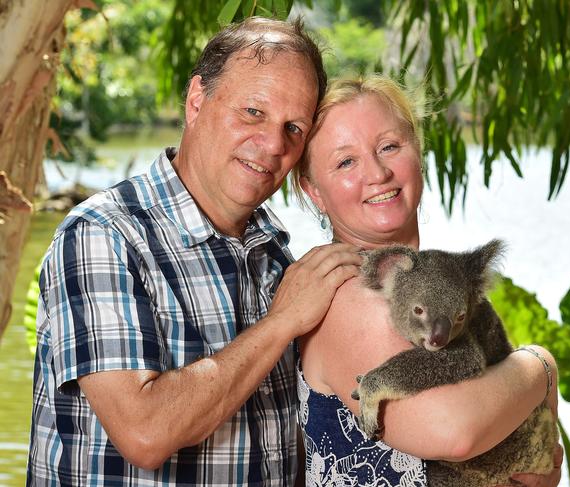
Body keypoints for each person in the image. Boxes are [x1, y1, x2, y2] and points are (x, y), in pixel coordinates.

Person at [27, 17, 363, 486]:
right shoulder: (104, 235)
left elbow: (313, 446)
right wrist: (283, 321)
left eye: (294, 127)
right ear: (197, 100)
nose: (272, 145)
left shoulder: (279, 261)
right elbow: (145, 432)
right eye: (252, 112)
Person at [291, 76, 563, 486]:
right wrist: (542, 366)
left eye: (388, 147)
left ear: (418, 151)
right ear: (313, 189)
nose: (378, 172)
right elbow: (455, 432)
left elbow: (536, 469)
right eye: (345, 161)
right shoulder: (350, 296)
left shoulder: (436, 281)